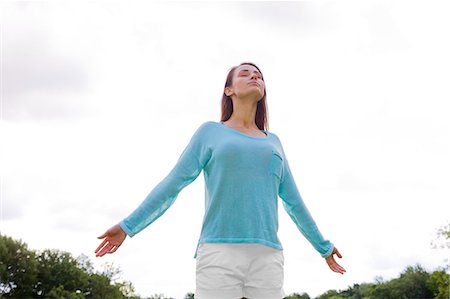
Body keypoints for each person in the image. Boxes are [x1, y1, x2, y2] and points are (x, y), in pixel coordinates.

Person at [95, 62, 346, 299]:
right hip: (218, 253)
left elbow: (294, 202)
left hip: (267, 256)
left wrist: (323, 246)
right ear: (229, 90)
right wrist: (128, 226)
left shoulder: (274, 142)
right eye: (245, 73)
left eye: (259, 75)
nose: (255, 76)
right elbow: (173, 183)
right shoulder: (211, 132)